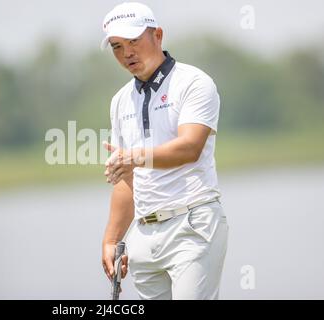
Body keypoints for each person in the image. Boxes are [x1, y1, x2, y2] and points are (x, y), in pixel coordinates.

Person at [100, 2, 229, 300]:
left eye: (133, 41)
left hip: (192, 225)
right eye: (117, 46)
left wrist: (134, 157)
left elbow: (190, 147)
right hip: (143, 236)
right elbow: (125, 180)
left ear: (158, 35)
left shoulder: (194, 82)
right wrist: (111, 238)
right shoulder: (120, 101)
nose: (126, 53)